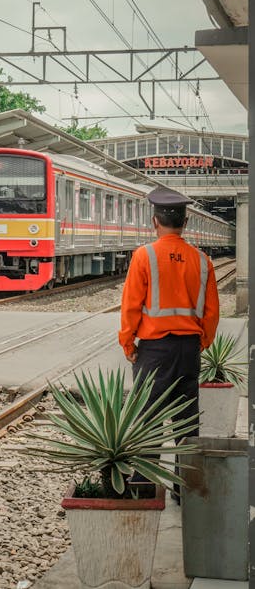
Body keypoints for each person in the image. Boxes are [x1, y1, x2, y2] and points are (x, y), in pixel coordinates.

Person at [118, 187, 220, 501]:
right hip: (188, 349)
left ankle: (145, 485)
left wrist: (128, 344)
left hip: (154, 351)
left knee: (148, 416)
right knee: (187, 419)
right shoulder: (202, 261)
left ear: (154, 221)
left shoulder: (144, 256)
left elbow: (131, 306)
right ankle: (183, 489)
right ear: (185, 222)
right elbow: (212, 312)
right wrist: (202, 341)